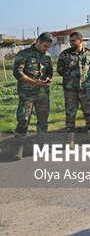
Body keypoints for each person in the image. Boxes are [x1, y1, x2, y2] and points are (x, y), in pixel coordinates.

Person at [11, 32, 54, 160]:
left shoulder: (47, 56)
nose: (46, 49)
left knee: (43, 120)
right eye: (45, 46)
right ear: (38, 41)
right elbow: (17, 72)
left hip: (43, 94)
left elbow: (50, 71)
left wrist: (47, 78)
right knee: (23, 120)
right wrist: (35, 82)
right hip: (27, 94)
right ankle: (18, 148)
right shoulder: (24, 54)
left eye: (48, 47)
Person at [57, 31, 90, 145]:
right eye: (70, 41)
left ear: (80, 41)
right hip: (70, 90)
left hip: (86, 89)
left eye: (73, 41)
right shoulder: (64, 55)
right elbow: (60, 70)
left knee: (89, 112)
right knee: (70, 114)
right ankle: (70, 140)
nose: (70, 43)